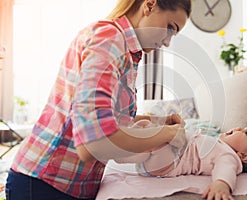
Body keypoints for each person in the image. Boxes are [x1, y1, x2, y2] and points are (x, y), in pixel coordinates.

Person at [5, 0, 191, 199]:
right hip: (43, 183)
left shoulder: (126, 52)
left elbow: (111, 123)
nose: (167, 42)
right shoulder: (109, 40)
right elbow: (94, 142)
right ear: (150, 5)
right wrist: (165, 134)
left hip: (67, 186)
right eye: (170, 28)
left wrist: (159, 122)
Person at [114, 120, 247, 200]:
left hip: (170, 163)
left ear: (244, 156)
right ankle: (126, 149)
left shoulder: (229, 156)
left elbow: (225, 170)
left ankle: (121, 152)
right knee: (148, 127)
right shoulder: (219, 142)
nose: (238, 128)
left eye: (244, 133)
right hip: (165, 157)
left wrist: (222, 184)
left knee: (156, 139)